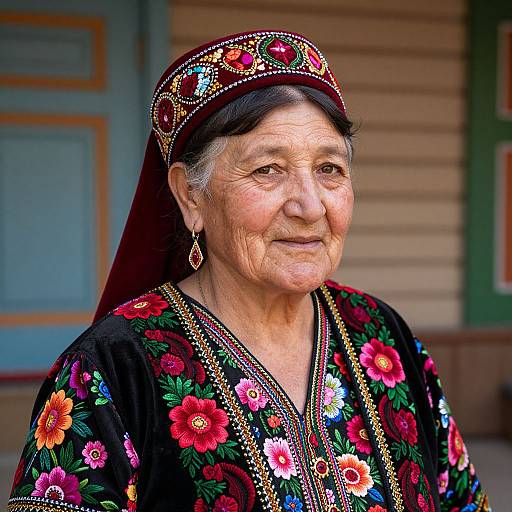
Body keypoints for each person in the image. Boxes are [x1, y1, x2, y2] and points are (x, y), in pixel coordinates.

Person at [8, 30, 489, 512]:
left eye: (329, 169)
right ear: (190, 197)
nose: (309, 206)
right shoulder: (111, 370)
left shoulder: (384, 338)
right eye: (268, 170)